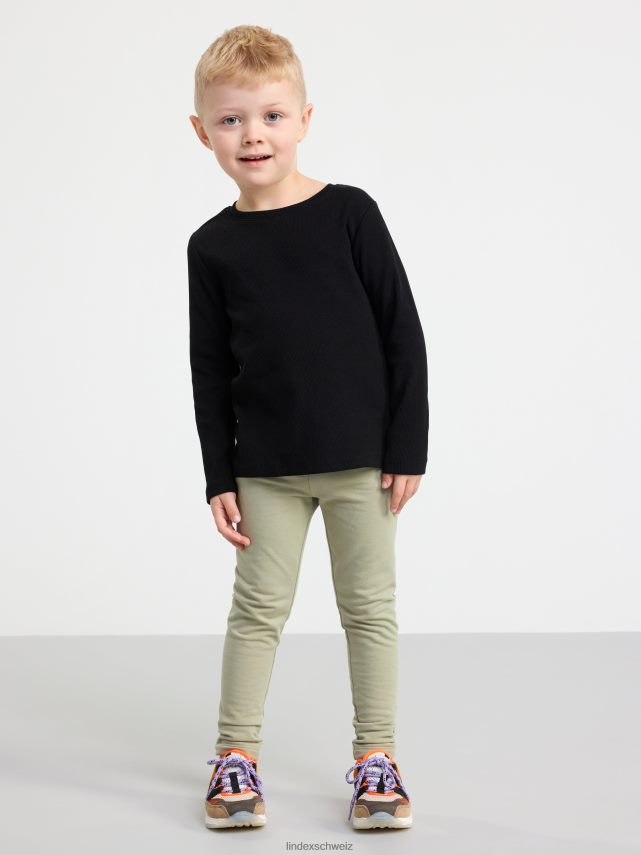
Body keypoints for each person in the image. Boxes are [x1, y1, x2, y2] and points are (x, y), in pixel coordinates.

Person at [187, 24, 428, 831]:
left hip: (363, 461)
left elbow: (402, 333)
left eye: (270, 115)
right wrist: (218, 475)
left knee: (369, 608)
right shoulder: (211, 246)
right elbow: (209, 369)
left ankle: (376, 757)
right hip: (265, 468)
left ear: (303, 119)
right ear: (202, 132)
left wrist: (407, 446)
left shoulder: (350, 213)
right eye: (230, 120)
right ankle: (234, 756)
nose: (252, 135)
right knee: (257, 611)